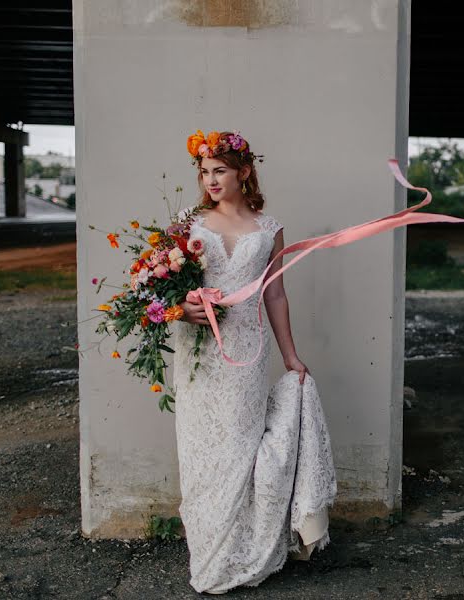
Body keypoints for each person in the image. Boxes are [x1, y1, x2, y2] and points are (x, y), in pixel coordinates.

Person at [173, 130, 337, 594]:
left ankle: (248, 551)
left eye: (219, 170)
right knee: (202, 453)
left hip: (245, 351)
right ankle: (209, 556)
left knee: (240, 452)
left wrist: (290, 355)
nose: (210, 180)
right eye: (204, 172)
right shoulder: (188, 222)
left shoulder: (269, 229)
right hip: (198, 351)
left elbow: (276, 294)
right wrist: (182, 308)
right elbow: (164, 293)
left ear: (243, 172)